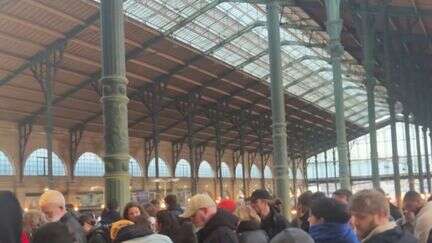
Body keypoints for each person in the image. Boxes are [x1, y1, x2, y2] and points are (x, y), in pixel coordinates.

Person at [350, 189, 417, 243]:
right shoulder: (407, 236)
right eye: (353, 216)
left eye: (361, 217)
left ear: (382, 214)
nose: (355, 222)